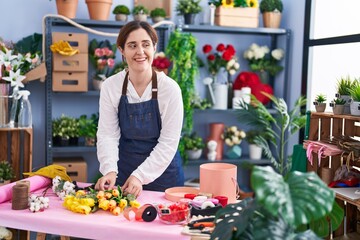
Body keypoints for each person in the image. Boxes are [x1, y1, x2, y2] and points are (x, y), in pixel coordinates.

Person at [94, 21, 184, 197]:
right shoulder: (111, 86)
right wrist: (110, 169)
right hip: (125, 176)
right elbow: (107, 134)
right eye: (132, 45)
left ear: (154, 47)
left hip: (165, 178)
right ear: (122, 50)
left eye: (146, 44)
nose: (140, 52)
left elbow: (168, 143)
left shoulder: (170, 89)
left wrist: (140, 176)